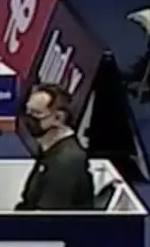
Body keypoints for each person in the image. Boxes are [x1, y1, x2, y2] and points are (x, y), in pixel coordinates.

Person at [14, 83, 97, 212]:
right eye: (27, 111)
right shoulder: (48, 148)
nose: (29, 118)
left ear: (58, 118)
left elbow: (50, 217)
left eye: (37, 113)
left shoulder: (66, 161)